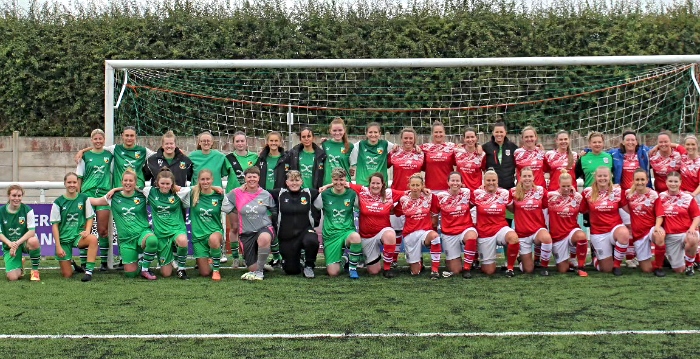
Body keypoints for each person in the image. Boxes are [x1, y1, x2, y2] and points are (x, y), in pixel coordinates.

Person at [90, 170, 159, 280]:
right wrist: (78, 198)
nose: (128, 183)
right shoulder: (113, 197)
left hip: (142, 233)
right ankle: (140, 263)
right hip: (126, 240)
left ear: (135, 182)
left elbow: (158, 194)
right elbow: (95, 201)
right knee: (130, 274)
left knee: (152, 240)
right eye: (125, 180)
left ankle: (145, 269)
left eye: (131, 181)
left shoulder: (142, 195)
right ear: (121, 182)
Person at [189, 131, 236, 266]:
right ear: (199, 142)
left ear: (212, 142)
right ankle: (202, 255)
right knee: (199, 221)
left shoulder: (220, 156)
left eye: (208, 140)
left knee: (216, 221)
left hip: (215, 195)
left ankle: (218, 251)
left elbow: (230, 172)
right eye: (203, 140)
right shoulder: (191, 156)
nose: (206, 142)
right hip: (198, 195)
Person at [226, 166, 278, 281]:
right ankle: (260, 266)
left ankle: (260, 272)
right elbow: (225, 204)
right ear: (245, 178)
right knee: (251, 268)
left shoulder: (265, 194)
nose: (252, 179)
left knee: (264, 238)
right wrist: (234, 210)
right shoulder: (236, 193)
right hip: (246, 233)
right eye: (249, 177)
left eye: (254, 177)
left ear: (258, 178)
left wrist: (271, 224)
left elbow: (274, 210)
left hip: (263, 228)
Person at [182, 169, 233, 281]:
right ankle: (211, 258)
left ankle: (216, 270)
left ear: (212, 180)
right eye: (202, 179)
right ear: (198, 180)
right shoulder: (192, 193)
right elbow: (178, 190)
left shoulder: (218, 195)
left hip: (214, 231)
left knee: (214, 239)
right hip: (198, 237)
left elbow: (230, 208)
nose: (205, 182)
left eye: (208, 179)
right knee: (204, 273)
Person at [268, 170, 320, 278]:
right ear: (286, 182)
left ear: (301, 181)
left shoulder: (310, 193)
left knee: (312, 241)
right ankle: (298, 258)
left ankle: (309, 265)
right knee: (292, 270)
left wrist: (328, 186)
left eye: (297, 180)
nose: (294, 183)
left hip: (305, 231)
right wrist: (243, 187)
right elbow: (259, 192)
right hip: (286, 236)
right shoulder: (279, 193)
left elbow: (328, 192)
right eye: (291, 180)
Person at [579, 166, 630, 276]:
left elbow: (629, 210)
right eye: (600, 176)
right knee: (606, 269)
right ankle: (595, 258)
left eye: (605, 176)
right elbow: (582, 210)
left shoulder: (617, 191)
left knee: (624, 234)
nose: (602, 178)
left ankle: (617, 265)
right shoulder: (587, 192)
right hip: (598, 232)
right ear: (595, 177)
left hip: (615, 228)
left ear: (610, 176)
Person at [143, 168, 192, 279]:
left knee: (183, 240)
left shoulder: (178, 193)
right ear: (157, 183)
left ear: (172, 184)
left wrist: (176, 188)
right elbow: (133, 187)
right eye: (162, 183)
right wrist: (115, 189)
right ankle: (171, 258)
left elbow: (192, 189)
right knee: (166, 274)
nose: (165, 186)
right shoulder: (150, 191)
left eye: (168, 184)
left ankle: (181, 269)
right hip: (161, 234)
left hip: (176, 229)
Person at [348, 173, 400, 278]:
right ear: (369, 184)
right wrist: (326, 186)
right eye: (373, 183)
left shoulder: (389, 193)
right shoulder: (363, 191)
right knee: (374, 271)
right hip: (367, 237)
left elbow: (409, 193)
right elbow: (344, 184)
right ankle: (368, 255)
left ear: (382, 184)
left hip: (382, 232)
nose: (375, 186)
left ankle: (387, 268)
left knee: (390, 235)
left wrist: (424, 190)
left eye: (378, 183)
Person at [314, 168, 363, 279]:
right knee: (333, 273)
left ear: (345, 179)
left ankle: (353, 268)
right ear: (332, 180)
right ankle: (344, 260)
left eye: (341, 179)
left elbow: (361, 206)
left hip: (346, 231)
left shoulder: (352, 194)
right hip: (331, 235)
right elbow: (315, 207)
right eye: (335, 180)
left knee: (355, 237)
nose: (338, 182)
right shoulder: (325, 195)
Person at [75, 129, 113, 271]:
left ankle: (104, 262)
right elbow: (79, 177)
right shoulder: (85, 156)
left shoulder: (110, 155)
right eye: (95, 139)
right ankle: (84, 263)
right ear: (92, 140)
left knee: (103, 230)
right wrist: (79, 196)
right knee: (86, 230)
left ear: (104, 140)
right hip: (87, 195)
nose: (98, 141)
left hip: (104, 196)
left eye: (100, 139)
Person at [51, 172, 99, 282]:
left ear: (78, 183)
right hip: (64, 239)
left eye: (74, 182)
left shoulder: (83, 198)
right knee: (67, 275)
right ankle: (72, 264)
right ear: (64, 184)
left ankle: (88, 272)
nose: (72, 185)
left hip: (78, 236)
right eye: (69, 182)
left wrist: (87, 231)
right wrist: (58, 246)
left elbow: (90, 217)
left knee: (93, 239)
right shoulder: (58, 202)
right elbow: (55, 226)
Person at [472, 169, 520, 277]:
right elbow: (466, 207)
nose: (491, 183)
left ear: (497, 182)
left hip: (500, 228)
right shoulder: (477, 194)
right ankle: (481, 260)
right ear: (484, 182)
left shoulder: (504, 193)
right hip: (484, 232)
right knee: (489, 271)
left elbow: (514, 209)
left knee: (513, 237)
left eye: (493, 180)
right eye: (488, 180)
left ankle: (510, 268)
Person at [387, 127, 424, 266]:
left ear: (415, 139)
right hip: (397, 196)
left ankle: (417, 258)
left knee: (415, 230)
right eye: (405, 138)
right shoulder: (394, 153)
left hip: (415, 197)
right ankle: (394, 259)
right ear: (401, 139)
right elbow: (382, 164)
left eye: (411, 138)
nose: (408, 141)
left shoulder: (421, 153)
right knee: (396, 230)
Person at [75, 126, 156, 188]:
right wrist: (82, 151)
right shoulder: (115, 149)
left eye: (132, 136)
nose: (129, 138)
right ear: (122, 136)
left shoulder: (143, 151)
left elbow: (158, 156)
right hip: (119, 189)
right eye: (127, 135)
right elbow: (99, 147)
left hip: (138, 188)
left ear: (136, 136)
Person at [508, 167, 552, 276]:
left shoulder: (540, 190)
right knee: (528, 270)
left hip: (537, 230)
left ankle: (544, 266)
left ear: (533, 177)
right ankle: (521, 259)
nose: (527, 178)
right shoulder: (513, 192)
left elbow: (547, 204)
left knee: (546, 238)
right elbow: (511, 208)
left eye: (529, 176)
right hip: (522, 234)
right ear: (520, 177)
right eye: (524, 176)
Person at [397, 174, 442, 280]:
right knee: (415, 272)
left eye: (418, 185)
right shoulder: (403, 199)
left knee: (435, 237)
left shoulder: (429, 197)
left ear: (422, 186)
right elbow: (395, 211)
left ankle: (434, 271)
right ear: (409, 186)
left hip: (425, 232)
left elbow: (436, 211)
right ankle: (418, 261)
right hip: (410, 234)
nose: (415, 188)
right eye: (413, 185)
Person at [655, 171, 700, 276]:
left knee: (693, 238)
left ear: (680, 182)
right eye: (670, 181)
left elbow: (697, 217)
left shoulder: (687, 197)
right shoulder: (661, 197)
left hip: (685, 233)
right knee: (678, 269)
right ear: (666, 182)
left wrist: (693, 228)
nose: (673, 184)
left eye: (676, 181)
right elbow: (659, 215)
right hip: (670, 236)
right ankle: (677, 258)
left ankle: (690, 266)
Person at [546, 170, 589, 276]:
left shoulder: (577, 197)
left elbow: (584, 209)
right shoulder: (550, 196)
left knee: (581, 236)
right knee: (563, 270)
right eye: (563, 186)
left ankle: (581, 266)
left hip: (571, 231)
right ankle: (568, 262)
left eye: (568, 186)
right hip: (557, 236)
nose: (566, 189)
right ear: (559, 184)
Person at [435, 172, 478, 278]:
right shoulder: (440, 196)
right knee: (455, 270)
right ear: (448, 182)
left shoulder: (467, 192)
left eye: (457, 181)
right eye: (453, 180)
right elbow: (434, 213)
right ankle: (450, 260)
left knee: (472, 236)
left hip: (465, 229)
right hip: (449, 233)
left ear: (461, 183)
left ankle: (467, 268)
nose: (455, 183)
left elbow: (476, 202)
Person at [626, 169, 665, 277]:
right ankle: (662, 259)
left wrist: (657, 227)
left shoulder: (654, 194)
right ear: (633, 181)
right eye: (637, 179)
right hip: (638, 233)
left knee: (659, 235)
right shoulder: (629, 195)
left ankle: (659, 267)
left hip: (651, 228)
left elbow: (660, 215)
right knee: (646, 269)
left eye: (642, 179)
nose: (640, 182)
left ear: (647, 180)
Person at [257, 131, 287, 267]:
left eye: (276, 141)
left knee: (280, 226)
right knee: (267, 226)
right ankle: (276, 256)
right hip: (264, 197)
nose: (274, 143)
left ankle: (284, 255)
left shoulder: (287, 158)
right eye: (271, 141)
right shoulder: (262, 158)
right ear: (267, 142)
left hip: (280, 196)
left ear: (280, 142)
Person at [0, 185, 41, 281]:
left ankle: (35, 271)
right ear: (8, 196)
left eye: (19, 196)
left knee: (34, 240)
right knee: (13, 277)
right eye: (14, 195)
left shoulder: (27, 209)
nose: (17, 198)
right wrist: (10, 244)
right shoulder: (1, 211)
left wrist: (17, 243)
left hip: (23, 243)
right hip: (9, 246)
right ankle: (20, 263)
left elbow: (31, 231)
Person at [481, 122, 518, 225]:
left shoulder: (513, 147)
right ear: (493, 133)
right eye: (496, 132)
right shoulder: (486, 147)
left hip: (509, 187)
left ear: (505, 132)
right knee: (493, 215)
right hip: (492, 189)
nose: (499, 134)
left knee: (508, 217)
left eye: (501, 132)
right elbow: (480, 165)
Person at [420, 121, 455, 192]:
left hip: (448, 189)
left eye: (440, 132)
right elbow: (410, 148)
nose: (438, 134)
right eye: (436, 132)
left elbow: (468, 149)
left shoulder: (452, 147)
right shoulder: (425, 147)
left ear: (444, 133)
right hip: (430, 189)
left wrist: (478, 146)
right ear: (432, 133)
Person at [322, 118, 354, 185]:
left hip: (344, 183)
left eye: (340, 130)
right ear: (330, 131)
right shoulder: (324, 144)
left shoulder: (350, 146)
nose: (337, 133)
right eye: (334, 130)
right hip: (328, 183)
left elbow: (353, 166)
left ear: (344, 130)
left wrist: (352, 169)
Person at [455, 128, 485, 192]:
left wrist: (484, 184)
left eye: (472, 137)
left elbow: (486, 171)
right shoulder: (457, 151)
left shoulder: (482, 154)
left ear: (476, 138)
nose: (470, 139)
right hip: (461, 190)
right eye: (467, 137)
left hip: (476, 190)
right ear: (464, 139)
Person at [679, 135, 700, 202]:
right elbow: (670, 144)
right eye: (688, 144)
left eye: (693, 144)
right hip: (682, 194)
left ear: (697, 145)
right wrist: (656, 147)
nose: (690, 147)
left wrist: (692, 195)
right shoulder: (683, 155)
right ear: (684, 145)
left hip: (695, 195)